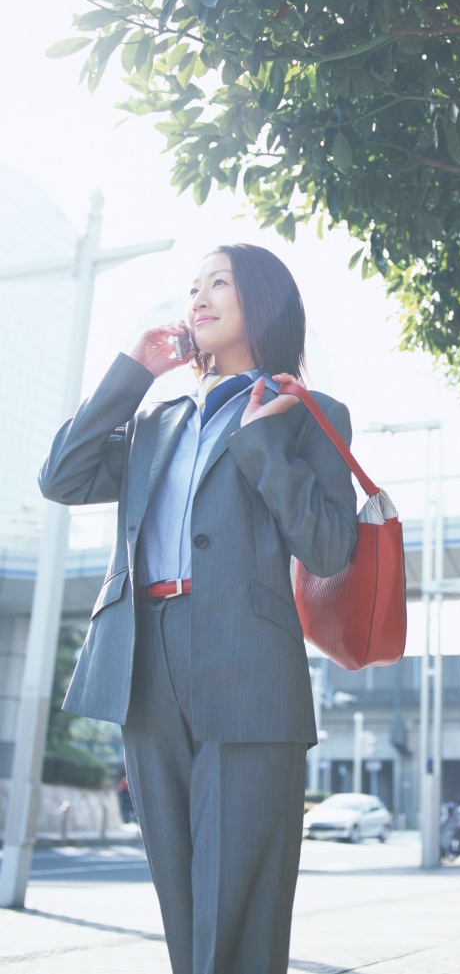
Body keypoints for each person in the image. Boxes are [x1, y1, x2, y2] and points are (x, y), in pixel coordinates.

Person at [39, 243, 357, 974]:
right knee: (182, 907)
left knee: (239, 901)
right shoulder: (159, 419)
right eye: (193, 287)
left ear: (264, 302)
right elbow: (63, 475)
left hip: (249, 666)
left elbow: (332, 546)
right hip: (144, 661)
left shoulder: (307, 412)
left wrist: (259, 443)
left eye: (220, 283)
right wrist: (133, 371)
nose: (200, 297)